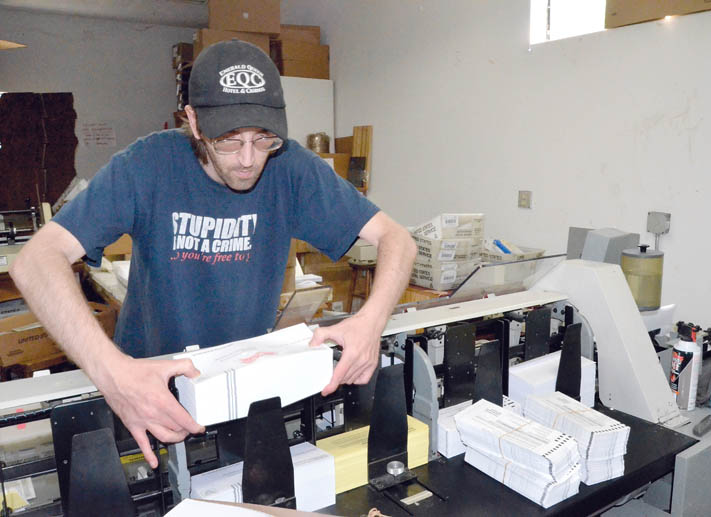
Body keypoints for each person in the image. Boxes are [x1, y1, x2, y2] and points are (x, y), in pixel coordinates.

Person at [9, 39, 417, 468]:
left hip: (240, 387)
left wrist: (370, 323)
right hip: (148, 392)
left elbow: (398, 240)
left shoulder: (290, 168)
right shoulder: (147, 166)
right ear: (193, 122)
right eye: (228, 140)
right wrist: (113, 374)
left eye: (263, 139)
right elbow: (36, 261)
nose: (248, 159)